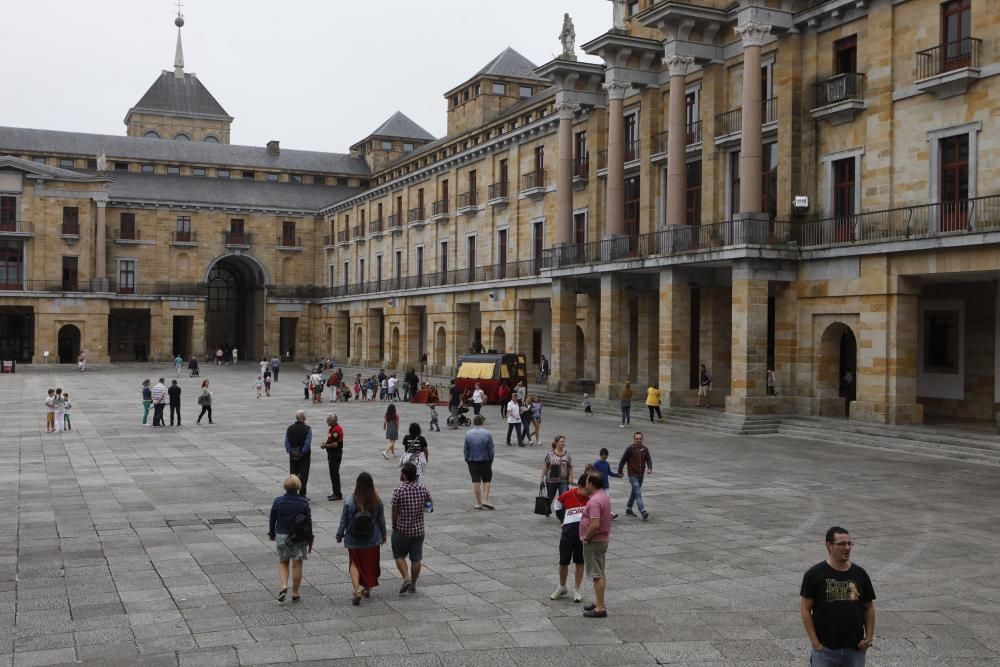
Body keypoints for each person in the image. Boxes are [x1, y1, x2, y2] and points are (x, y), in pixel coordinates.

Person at [800, 527, 876, 666]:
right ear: (829, 545)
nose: (847, 548)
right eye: (841, 544)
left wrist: (869, 638)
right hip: (825, 651)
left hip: (855, 649)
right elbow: (805, 609)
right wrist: (815, 643)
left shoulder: (860, 574)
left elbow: (869, 607)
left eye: (849, 543)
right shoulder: (814, 574)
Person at [336, 472, 387, 605]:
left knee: (355, 563)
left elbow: (343, 520)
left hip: (353, 539)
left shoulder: (349, 500)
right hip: (372, 539)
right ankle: (367, 588)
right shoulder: (377, 500)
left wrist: (339, 534)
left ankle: (357, 590)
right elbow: (381, 520)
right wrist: (384, 535)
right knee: (369, 563)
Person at [267, 475, 313, 603]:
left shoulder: (278, 501)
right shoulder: (303, 502)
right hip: (299, 537)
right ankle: (295, 593)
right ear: (298, 487)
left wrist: (272, 533)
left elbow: (272, 519)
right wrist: (310, 539)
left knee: (283, 562)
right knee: (297, 563)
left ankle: (284, 586)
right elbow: (308, 522)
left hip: (282, 535)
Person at [391, 462, 432, 595]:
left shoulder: (399, 491)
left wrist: (394, 525)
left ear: (404, 475)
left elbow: (394, 511)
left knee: (398, 555)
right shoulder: (423, 488)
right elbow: (429, 506)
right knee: (416, 558)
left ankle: (406, 578)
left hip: (402, 529)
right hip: (419, 530)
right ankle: (413, 584)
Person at [550, 473, 590, 603]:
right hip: (567, 535)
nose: (588, 493)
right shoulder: (568, 494)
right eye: (586, 489)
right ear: (579, 486)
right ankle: (562, 586)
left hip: (583, 537)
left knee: (580, 562)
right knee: (563, 562)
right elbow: (557, 503)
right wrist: (562, 519)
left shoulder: (591, 498)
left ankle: (577, 590)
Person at [580, 473, 612, 618]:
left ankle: (600, 608)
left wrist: (586, 537)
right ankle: (600, 602)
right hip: (602, 540)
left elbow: (595, 524)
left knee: (596, 574)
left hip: (594, 541)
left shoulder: (594, 501)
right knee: (600, 572)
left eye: (587, 483)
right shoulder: (603, 496)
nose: (586, 485)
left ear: (591, 484)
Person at [617, 432, 653, 521]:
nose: (638, 440)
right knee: (637, 491)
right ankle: (643, 511)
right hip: (632, 474)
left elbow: (649, 459)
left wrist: (649, 468)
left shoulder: (645, 449)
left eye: (640, 439)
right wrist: (620, 471)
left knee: (635, 492)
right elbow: (623, 460)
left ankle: (628, 509)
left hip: (641, 474)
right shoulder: (630, 449)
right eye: (636, 439)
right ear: (634, 439)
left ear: (642, 439)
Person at [463, 414, 495, 510]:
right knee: (486, 480)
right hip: (485, 460)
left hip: (472, 460)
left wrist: (467, 459)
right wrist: (491, 459)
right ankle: (485, 499)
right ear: (482, 422)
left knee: (475, 480)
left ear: (473, 422)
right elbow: (491, 449)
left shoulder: (468, 433)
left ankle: (478, 503)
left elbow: (466, 449)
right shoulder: (487, 433)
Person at [541, 435, 573, 518]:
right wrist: (541, 478)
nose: (563, 443)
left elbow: (570, 468)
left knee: (564, 497)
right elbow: (546, 466)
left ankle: (563, 515)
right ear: (556, 443)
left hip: (563, 481)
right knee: (550, 497)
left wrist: (571, 478)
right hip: (551, 480)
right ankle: (547, 510)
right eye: (562, 441)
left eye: (564, 441)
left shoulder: (567, 455)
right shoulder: (550, 454)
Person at [285, 410, 312, 497]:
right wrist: (302, 453)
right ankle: (302, 494)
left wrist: (291, 452)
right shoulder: (307, 428)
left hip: (293, 455)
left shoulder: (290, 428)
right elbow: (307, 443)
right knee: (304, 475)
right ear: (304, 418)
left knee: (293, 474)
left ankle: (293, 493)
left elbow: (287, 442)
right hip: (304, 456)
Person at [592, 448, 620, 520]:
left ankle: (609, 514)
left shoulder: (607, 463)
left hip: (606, 486)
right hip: (598, 486)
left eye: (606, 457)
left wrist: (617, 475)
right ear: (600, 455)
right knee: (600, 501)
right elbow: (594, 474)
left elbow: (609, 473)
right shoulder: (596, 464)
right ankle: (605, 514)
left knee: (607, 500)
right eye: (603, 457)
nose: (604, 459)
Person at [322, 414, 344, 501]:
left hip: (335, 454)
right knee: (333, 473)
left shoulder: (335, 430)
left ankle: (337, 494)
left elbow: (335, 444)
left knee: (334, 473)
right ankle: (335, 492)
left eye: (328, 420)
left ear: (333, 421)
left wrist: (325, 445)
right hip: (333, 454)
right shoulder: (334, 428)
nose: (327, 422)